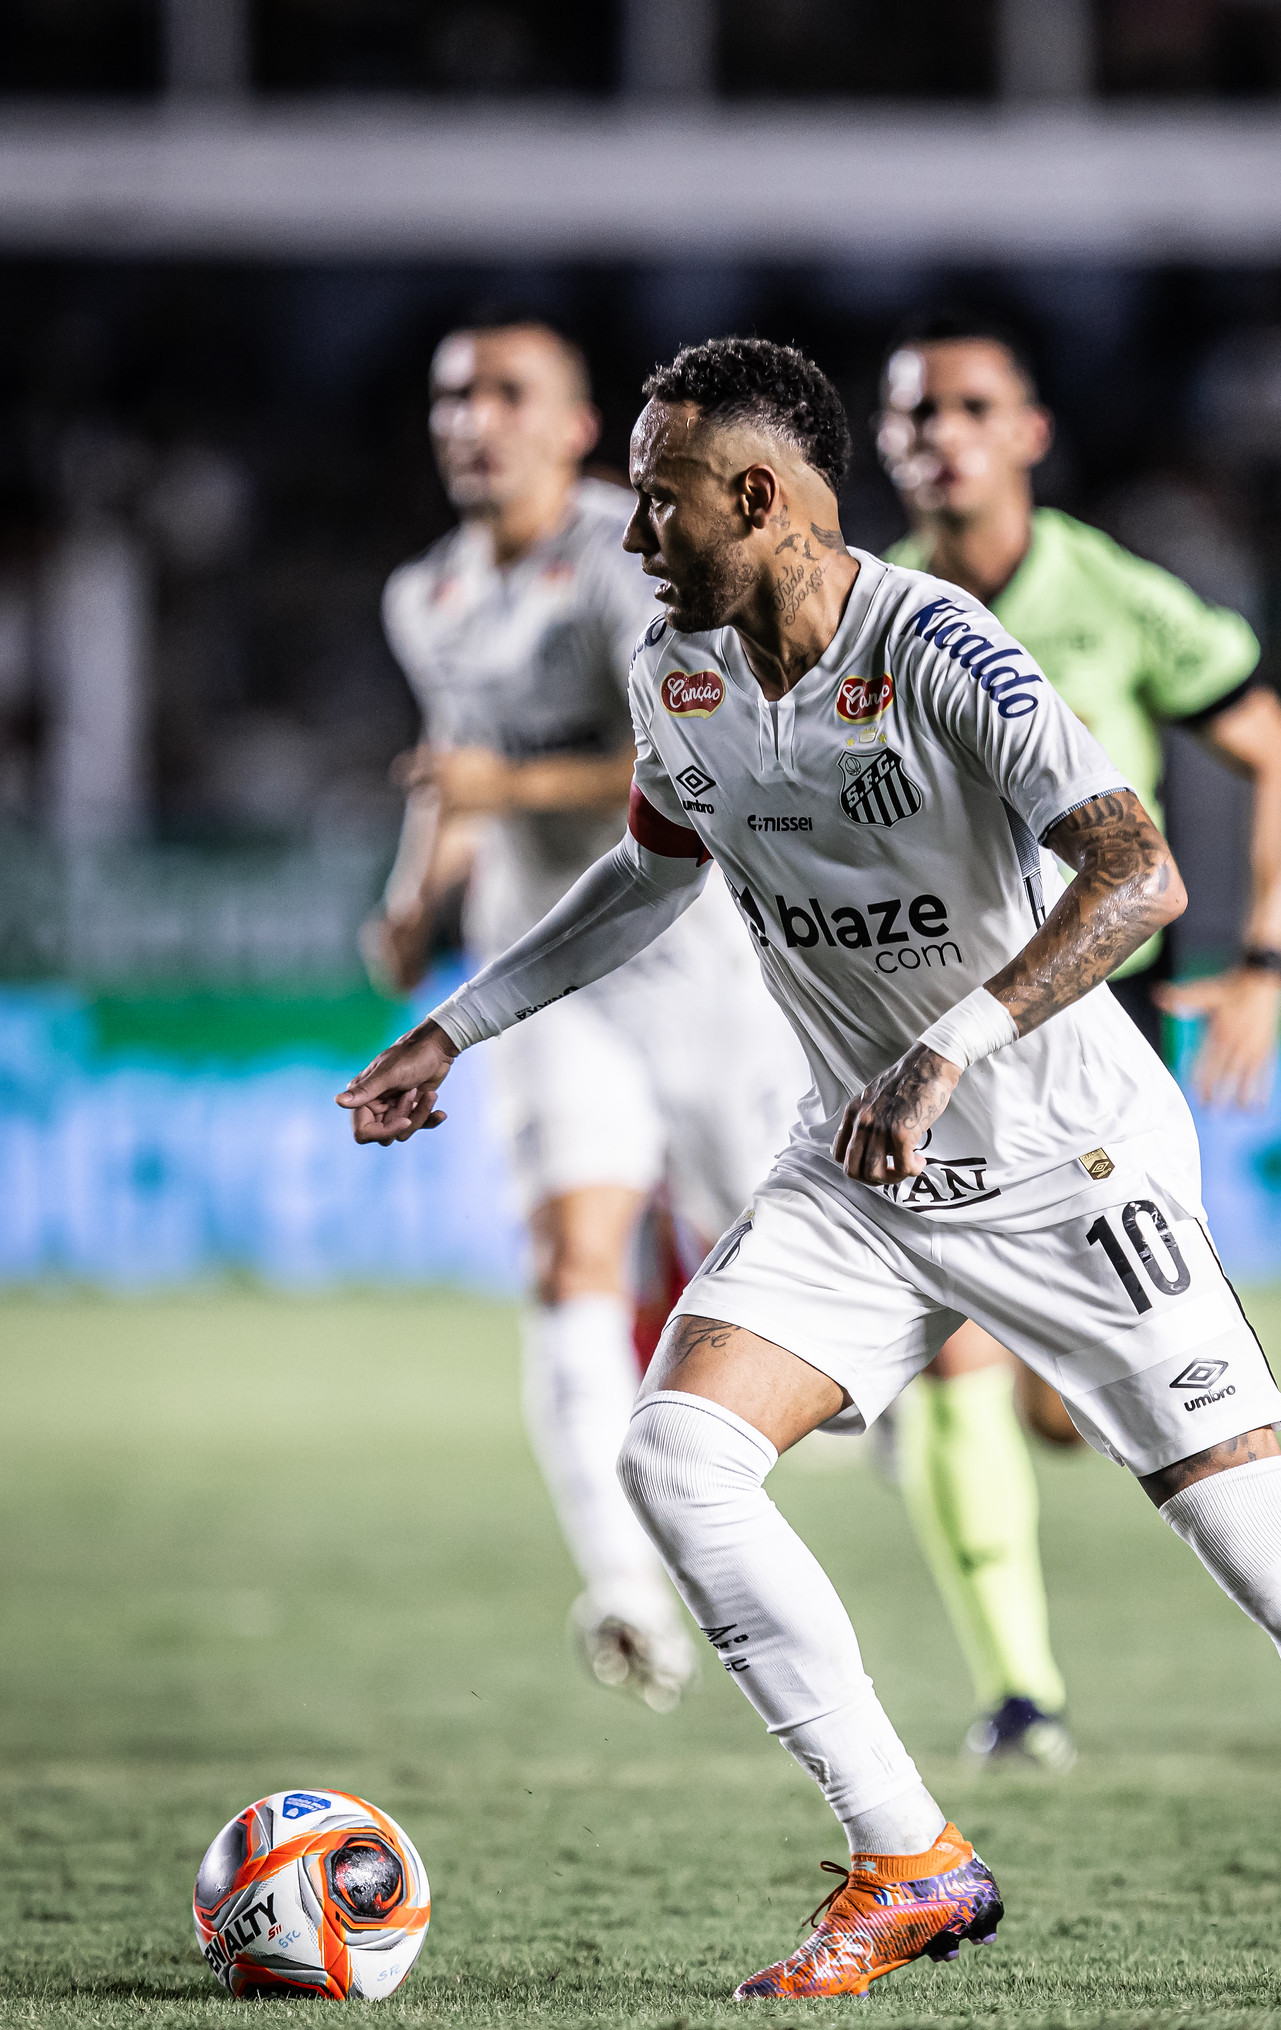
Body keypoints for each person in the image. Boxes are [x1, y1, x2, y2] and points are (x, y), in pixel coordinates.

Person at [339, 338, 1281, 2003]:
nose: (636, 535)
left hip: (1066, 1161)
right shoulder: (679, 670)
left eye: (660, 500)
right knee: (675, 1458)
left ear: (756, 494)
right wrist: (455, 1026)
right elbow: (649, 873)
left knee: (1260, 1551)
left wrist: (949, 1046)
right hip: (859, 1170)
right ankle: (908, 1859)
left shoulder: (939, 647)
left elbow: (1139, 876)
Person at [875, 312, 1281, 1768]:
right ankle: (1021, 1698)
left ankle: (1049, 1401)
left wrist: (1265, 965)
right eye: (915, 413)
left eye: (970, 408)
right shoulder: (865, 608)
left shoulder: (1113, 594)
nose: (941, 435)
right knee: (951, 1356)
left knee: (1074, 1403)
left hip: (1097, 1027)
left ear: (1029, 434)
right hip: (934, 1019)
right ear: (885, 444)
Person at [365, 312, 798, 1714]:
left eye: (507, 393)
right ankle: (622, 1589)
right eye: (453, 395)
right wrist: (413, 895)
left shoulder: (633, 557)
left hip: (696, 959)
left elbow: (683, 751)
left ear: (571, 425)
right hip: (542, 971)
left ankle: (903, 1421)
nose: (472, 418)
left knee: (776, 1276)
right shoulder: (426, 594)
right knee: (570, 1254)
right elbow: (456, 764)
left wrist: (500, 792)